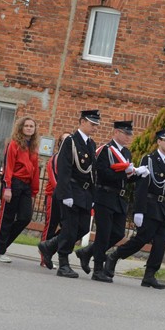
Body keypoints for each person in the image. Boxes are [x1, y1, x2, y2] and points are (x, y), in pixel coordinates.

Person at [104, 129, 165, 288]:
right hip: (150, 207)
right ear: (159, 142)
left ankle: (150, 274)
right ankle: (115, 256)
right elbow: (141, 187)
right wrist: (139, 211)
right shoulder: (149, 159)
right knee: (141, 239)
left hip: (163, 208)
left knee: (160, 243)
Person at [75, 120, 147, 280]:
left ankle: (87, 252)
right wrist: (125, 172)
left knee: (118, 233)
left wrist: (136, 174)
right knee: (103, 234)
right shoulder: (105, 151)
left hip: (119, 199)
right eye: (125, 133)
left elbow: (125, 179)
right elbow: (102, 174)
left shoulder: (126, 153)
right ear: (116, 132)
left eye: (130, 134)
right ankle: (98, 269)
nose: (129, 137)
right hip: (104, 196)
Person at [37, 109, 99, 277]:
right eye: (92, 124)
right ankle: (63, 263)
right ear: (82, 122)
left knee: (83, 228)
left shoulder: (91, 144)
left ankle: (49, 246)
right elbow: (64, 169)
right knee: (70, 228)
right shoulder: (70, 141)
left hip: (85, 193)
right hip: (72, 190)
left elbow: (92, 173)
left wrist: (93, 196)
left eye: (96, 125)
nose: (95, 127)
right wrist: (66, 194)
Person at [0, 117, 41, 262]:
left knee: (25, 217)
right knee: (7, 217)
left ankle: (0, 243)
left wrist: (34, 190)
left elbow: (35, 170)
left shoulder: (33, 147)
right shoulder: (13, 144)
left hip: (25, 186)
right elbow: (8, 167)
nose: (29, 128)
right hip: (13, 184)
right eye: (26, 126)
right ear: (21, 128)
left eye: (32, 126)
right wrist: (7, 187)